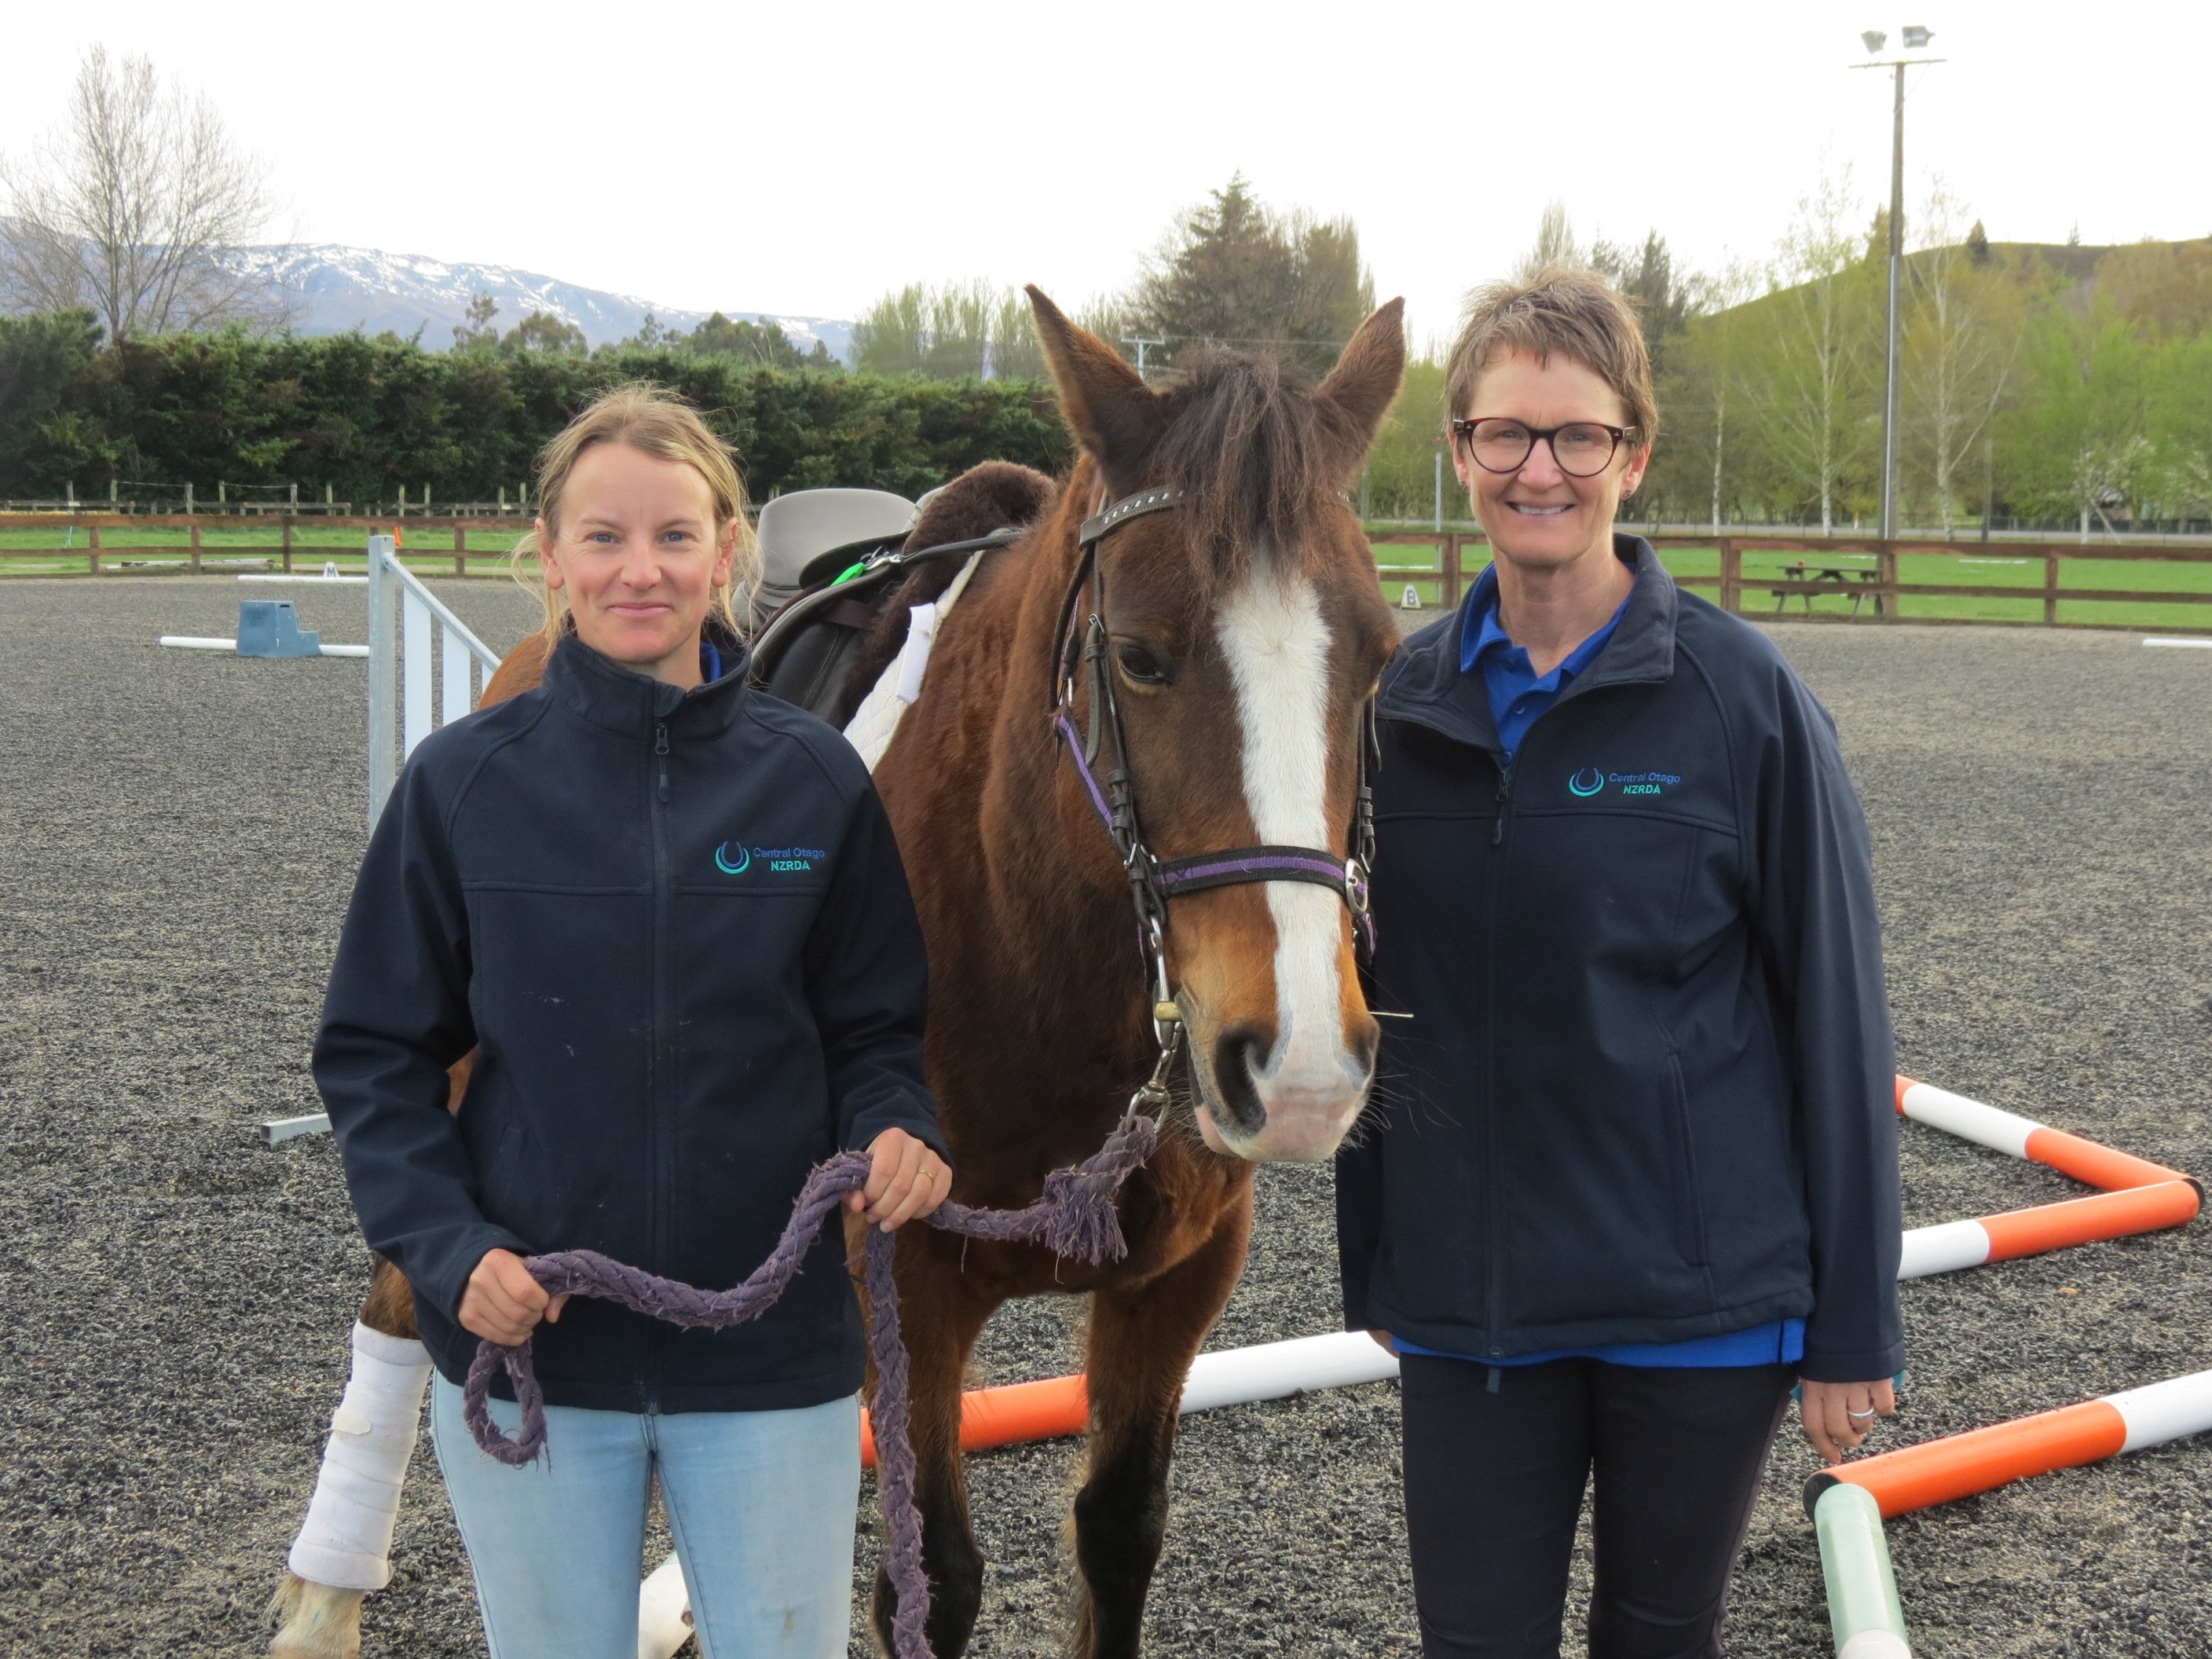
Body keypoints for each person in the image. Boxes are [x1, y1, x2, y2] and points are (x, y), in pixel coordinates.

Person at [313, 385, 950, 1659]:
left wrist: (898, 1125)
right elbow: (378, 1058)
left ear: (729, 553)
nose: (639, 569)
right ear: (549, 556)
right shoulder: (461, 785)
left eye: (674, 536)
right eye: (602, 537)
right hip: (537, 1352)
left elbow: (877, 1028)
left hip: (771, 1364)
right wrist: (447, 1252)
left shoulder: (814, 778)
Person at [1336, 269, 1903, 1659]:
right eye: (1505, 434)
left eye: (1577, 436)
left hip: (1695, 1306)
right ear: (1458, 451)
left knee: (1659, 1635)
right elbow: (1346, 988)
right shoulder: (1385, 710)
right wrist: (1384, 1269)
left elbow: (1834, 1017)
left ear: (1632, 454)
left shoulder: (1743, 699)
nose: (1541, 469)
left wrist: (1854, 1324)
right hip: (1473, 1310)